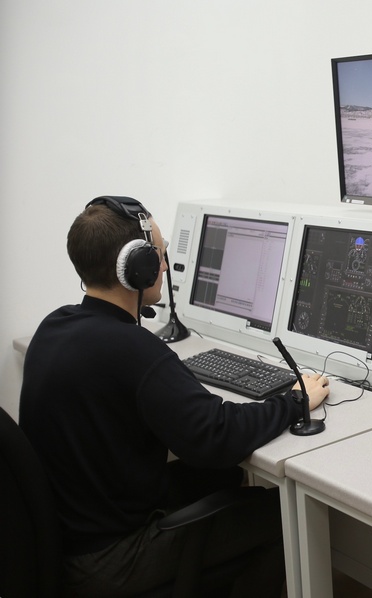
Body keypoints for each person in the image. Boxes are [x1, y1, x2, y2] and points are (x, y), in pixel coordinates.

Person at [19, 196, 330, 597]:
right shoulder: (132, 348)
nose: (164, 266)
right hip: (110, 562)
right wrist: (293, 400)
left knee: (221, 478)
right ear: (137, 268)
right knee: (282, 516)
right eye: (159, 255)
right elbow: (217, 436)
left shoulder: (54, 326)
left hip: (68, 543)